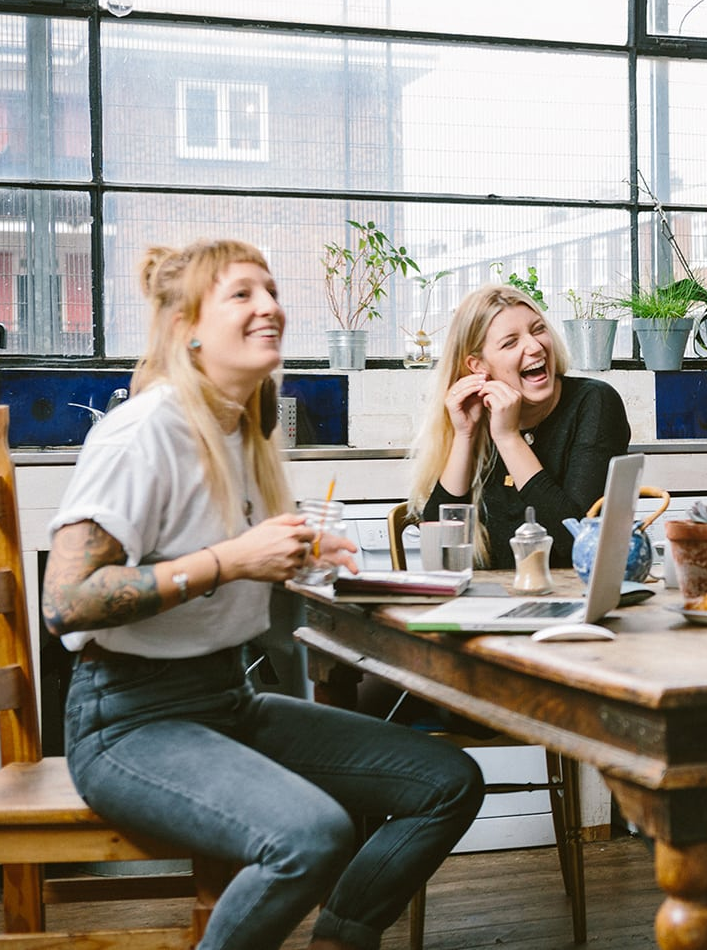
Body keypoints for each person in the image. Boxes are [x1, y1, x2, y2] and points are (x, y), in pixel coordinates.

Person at [42, 239, 484, 950]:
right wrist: (232, 558)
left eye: (271, 291)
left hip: (225, 701)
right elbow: (67, 600)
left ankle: (339, 938)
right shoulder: (143, 434)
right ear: (188, 326)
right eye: (241, 294)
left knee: (447, 780)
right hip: (127, 723)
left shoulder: (247, 429)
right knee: (310, 835)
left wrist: (294, 558)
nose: (270, 306)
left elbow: (231, 565)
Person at [410, 284, 630, 568]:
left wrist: (508, 438)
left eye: (538, 330)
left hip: (571, 598)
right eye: (510, 342)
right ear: (478, 365)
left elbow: (576, 542)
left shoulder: (594, 402)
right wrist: (465, 435)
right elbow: (440, 548)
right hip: (489, 602)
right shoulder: (479, 415)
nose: (535, 346)